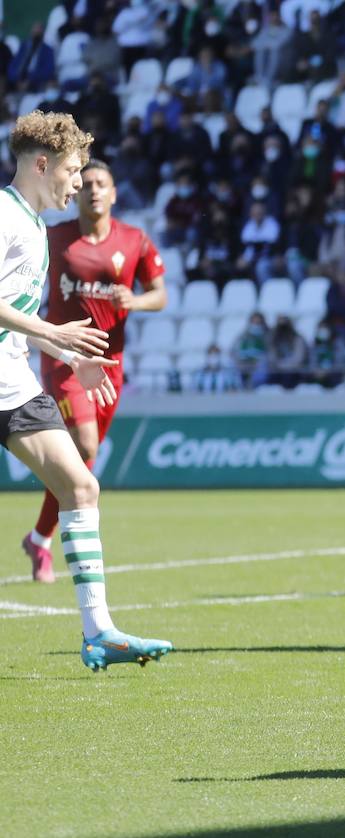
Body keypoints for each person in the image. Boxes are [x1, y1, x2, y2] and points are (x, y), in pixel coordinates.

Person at [1, 111, 172, 669]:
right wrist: (53, 333)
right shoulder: (4, 215)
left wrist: (67, 353)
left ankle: (99, 631)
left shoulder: (34, 227)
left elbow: (18, 316)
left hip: (13, 382)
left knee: (81, 487)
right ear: (42, 164)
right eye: (74, 170)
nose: (79, 183)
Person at [21, 159, 168, 583]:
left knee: (82, 459)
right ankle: (47, 542)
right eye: (85, 184)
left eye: (102, 184)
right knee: (83, 445)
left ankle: (39, 538)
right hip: (65, 358)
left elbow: (159, 294)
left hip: (111, 363)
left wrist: (133, 302)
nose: (94, 191)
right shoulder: (54, 237)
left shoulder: (134, 240)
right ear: (77, 192)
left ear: (115, 193)